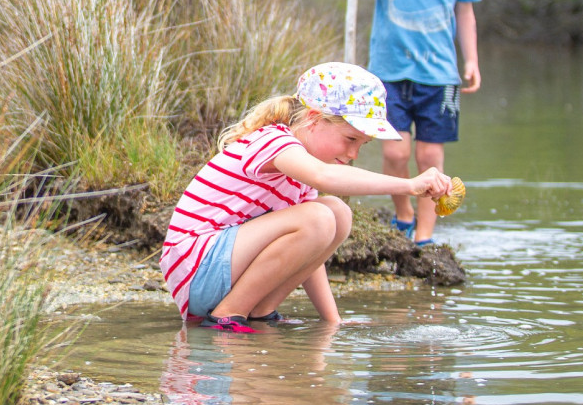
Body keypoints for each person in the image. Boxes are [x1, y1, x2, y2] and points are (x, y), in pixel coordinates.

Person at [160, 61, 457, 332]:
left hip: (221, 270)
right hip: (196, 269)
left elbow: (311, 254)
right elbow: (325, 179)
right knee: (321, 215)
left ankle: (260, 312)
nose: (353, 154)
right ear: (314, 119)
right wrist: (408, 185)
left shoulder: (301, 182)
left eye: (362, 145)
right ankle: (228, 315)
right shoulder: (274, 141)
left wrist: (332, 322)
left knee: (337, 213)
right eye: (350, 139)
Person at [335, 0, 485, 246]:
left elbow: (465, 14)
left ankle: (425, 235)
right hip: (389, 73)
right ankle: (404, 213)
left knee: (431, 156)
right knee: (395, 151)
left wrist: (472, 60)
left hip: (439, 76)